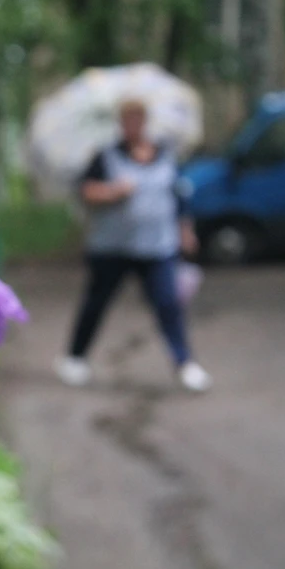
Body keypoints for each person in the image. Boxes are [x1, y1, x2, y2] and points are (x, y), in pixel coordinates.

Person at [54, 99, 212, 392]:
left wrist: (185, 230)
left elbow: (178, 196)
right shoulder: (105, 156)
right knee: (96, 303)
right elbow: (85, 191)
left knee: (169, 304)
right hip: (112, 249)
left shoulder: (165, 155)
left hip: (157, 248)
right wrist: (114, 192)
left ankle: (185, 363)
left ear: (145, 121)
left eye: (137, 119)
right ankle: (75, 357)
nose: (132, 125)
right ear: (120, 123)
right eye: (126, 120)